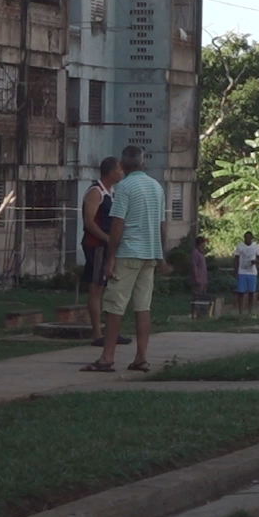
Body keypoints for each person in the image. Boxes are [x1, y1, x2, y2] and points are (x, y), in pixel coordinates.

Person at [85, 145, 165, 372]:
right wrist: (161, 255)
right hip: (149, 254)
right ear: (143, 164)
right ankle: (141, 357)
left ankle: (107, 357)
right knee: (142, 307)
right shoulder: (156, 187)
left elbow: (117, 224)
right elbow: (161, 224)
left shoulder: (124, 187)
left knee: (114, 306)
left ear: (122, 165)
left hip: (128, 252)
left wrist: (110, 258)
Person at [79, 158, 127, 348]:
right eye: (119, 169)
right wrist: (107, 238)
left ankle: (111, 330)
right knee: (96, 286)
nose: (121, 173)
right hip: (96, 245)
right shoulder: (96, 191)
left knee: (111, 287)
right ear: (111, 171)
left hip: (109, 246)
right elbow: (89, 222)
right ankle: (97, 333)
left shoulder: (111, 192)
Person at [231, 232, 259, 316]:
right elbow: (236, 258)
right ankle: (240, 311)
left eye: (248, 237)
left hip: (252, 272)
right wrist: (236, 270)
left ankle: (250, 311)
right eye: (245, 237)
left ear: (251, 238)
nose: (247, 239)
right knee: (241, 292)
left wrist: (255, 262)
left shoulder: (255, 246)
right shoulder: (240, 246)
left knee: (251, 292)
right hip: (242, 271)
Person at [189, 234, 209, 304]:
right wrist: (196, 277)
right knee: (197, 295)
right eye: (203, 243)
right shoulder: (195, 252)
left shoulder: (201, 252)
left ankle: (201, 308)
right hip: (198, 278)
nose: (204, 245)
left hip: (203, 278)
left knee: (202, 295)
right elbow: (194, 265)